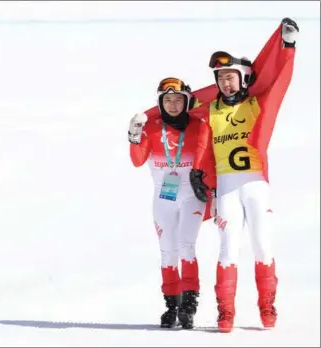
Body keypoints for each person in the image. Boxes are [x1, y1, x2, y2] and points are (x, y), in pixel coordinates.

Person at [188, 18, 299, 333]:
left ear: (244, 79)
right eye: (220, 78)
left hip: (255, 185)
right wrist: (198, 173)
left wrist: (287, 46)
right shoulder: (211, 110)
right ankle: (226, 313)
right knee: (228, 249)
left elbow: (280, 81)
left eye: (230, 77)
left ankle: (267, 306)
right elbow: (194, 133)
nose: (225, 83)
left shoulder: (257, 104)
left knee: (263, 245)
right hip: (226, 188)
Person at [128, 77, 216, 329]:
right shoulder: (152, 127)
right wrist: (134, 138)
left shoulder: (200, 125)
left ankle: (189, 304)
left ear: (187, 101)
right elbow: (137, 160)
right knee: (168, 250)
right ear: (160, 103)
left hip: (192, 194)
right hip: (163, 196)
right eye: (167, 100)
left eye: (178, 100)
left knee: (187, 245)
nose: (173, 105)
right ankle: (171, 304)